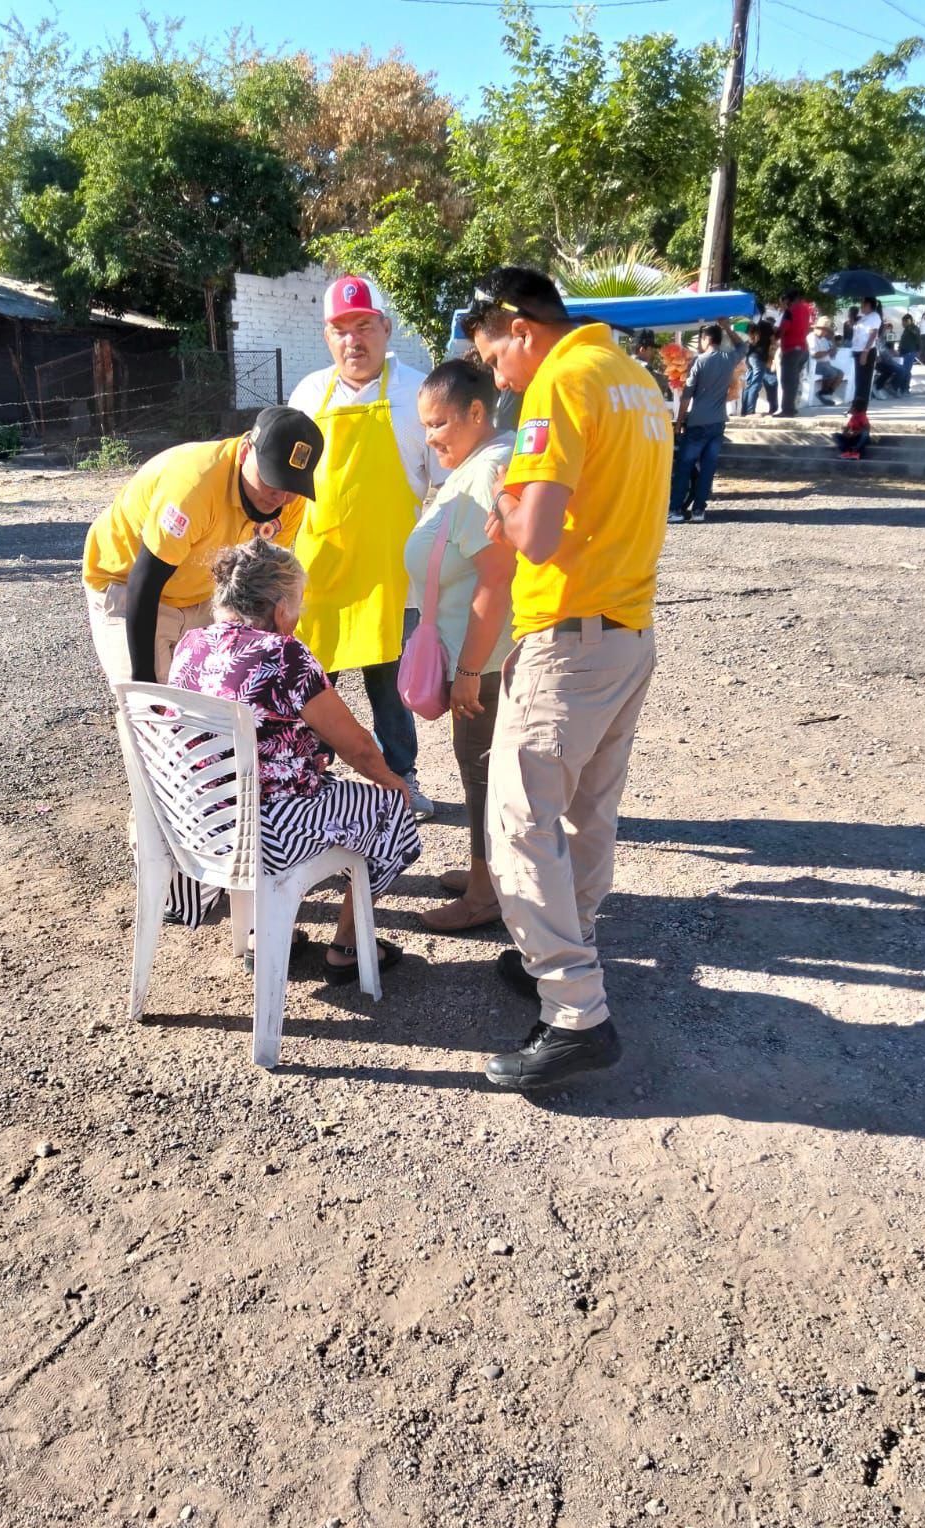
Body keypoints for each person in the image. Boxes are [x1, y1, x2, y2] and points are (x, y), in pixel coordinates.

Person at [460, 265, 672, 1091]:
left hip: (571, 639)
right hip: (625, 632)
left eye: (493, 355)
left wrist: (508, 511)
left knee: (519, 821)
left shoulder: (559, 382)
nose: (497, 375)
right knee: (586, 814)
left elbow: (537, 536)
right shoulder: (634, 379)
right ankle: (560, 955)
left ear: (521, 328)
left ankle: (576, 1012)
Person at [166, 539, 421, 981]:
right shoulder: (285, 655)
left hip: (197, 819)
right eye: (299, 603)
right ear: (280, 607)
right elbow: (357, 747)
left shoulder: (192, 644)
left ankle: (260, 934)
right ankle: (348, 947)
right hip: (263, 829)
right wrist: (393, 780)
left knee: (307, 784)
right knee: (389, 807)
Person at [289, 276, 444, 820]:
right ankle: (310, 778)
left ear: (385, 328)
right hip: (320, 570)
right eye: (340, 330)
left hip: (389, 569)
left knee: (392, 687)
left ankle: (401, 779)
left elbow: (445, 481)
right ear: (327, 337)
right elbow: (290, 484)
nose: (353, 340)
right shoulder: (308, 394)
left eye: (363, 326)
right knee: (313, 684)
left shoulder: (418, 393)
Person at [82, 407, 323, 685]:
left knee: (212, 695)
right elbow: (145, 580)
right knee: (149, 710)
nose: (280, 496)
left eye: (291, 485)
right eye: (272, 478)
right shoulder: (194, 485)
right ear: (245, 451)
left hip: (199, 591)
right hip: (127, 583)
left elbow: (258, 580)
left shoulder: (290, 501)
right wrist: (145, 682)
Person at [403, 360, 517, 933]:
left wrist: (470, 668)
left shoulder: (485, 472)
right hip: (484, 655)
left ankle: (485, 895)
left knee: (482, 771)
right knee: (482, 770)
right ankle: (486, 873)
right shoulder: (481, 463)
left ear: (477, 412)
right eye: (425, 425)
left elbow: (495, 579)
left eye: (440, 423)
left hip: (489, 659)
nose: (431, 437)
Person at [668, 321, 744, 523]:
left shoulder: (699, 362)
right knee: (708, 468)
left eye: (701, 338)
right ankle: (699, 511)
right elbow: (743, 347)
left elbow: (687, 395)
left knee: (685, 467)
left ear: (706, 339)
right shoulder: (729, 359)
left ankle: (675, 509)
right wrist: (728, 327)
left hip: (697, 423)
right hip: (718, 422)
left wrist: (678, 422)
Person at [776, 288, 811, 416]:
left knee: (787, 380)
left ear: (788, 299)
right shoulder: (806, 310)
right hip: (802, 349)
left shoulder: (789, 311)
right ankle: (792, 406)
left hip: (791, 349)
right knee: (795, 380)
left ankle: (787, 409)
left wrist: (775, 336)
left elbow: (784, 328)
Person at [850, 297, 882, 410]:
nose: (861, 306)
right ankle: (856, 406)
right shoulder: (864, 318)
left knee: (864, 381)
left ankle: (861, 408)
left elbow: (873, 334)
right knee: (859, 380)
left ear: (868, 305)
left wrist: (865, 351)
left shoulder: (874, 317)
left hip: (866, 351)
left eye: (862, 304)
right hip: (857, 350)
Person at [741, 319, 778, 415]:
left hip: (749, 357)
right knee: (756, 383)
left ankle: (744, 410)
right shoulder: (767, 325)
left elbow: (747, 339)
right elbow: (773, 341)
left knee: (748, 383)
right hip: (760, 357)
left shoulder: (751, 324)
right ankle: (750, 410)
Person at [808, 317, 844, 404]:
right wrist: (828, 352)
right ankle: (823, 393)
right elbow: (815, 354)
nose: (825, 332)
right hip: (815, 364)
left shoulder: (824, 339)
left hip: (825, 364)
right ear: (817, 328)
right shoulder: (811, 337)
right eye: (823, 330)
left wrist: (832, 342)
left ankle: (827, 393)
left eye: (826, 330)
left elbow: (831, 354)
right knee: (831, 372)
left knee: (840, 373)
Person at [632, 331, 672, 401]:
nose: (653, 353)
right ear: (642, 350)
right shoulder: (644, 368)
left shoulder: (622, 364)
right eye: (651, 349)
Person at [897, 314, 920, 390]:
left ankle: (904, 388)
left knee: (906, 370)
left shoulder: (914, 328)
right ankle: (903, 387)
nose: (902, 324)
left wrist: (910, 326)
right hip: (903, 352)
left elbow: (917, 339)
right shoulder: (906, 329)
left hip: (909, 352)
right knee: (904, 370)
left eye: (903, 322)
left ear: (908, 321)